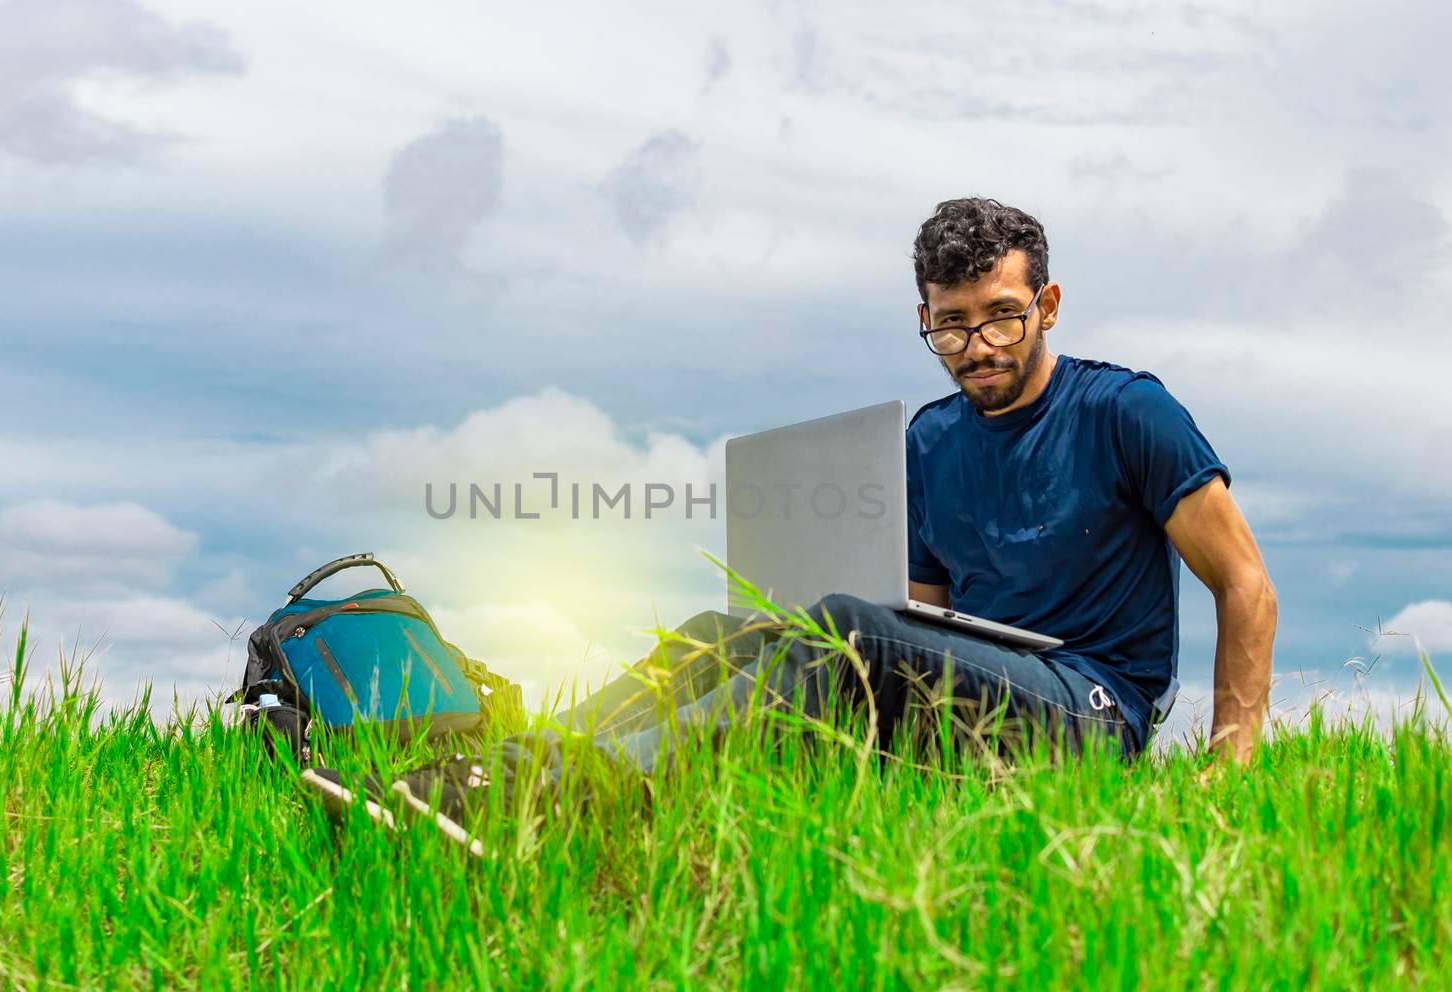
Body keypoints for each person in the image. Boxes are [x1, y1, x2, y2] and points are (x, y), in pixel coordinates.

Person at [382, 197, 1278, 848]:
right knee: (717, 632)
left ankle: (582, 797)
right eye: (952, 325)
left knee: (846, 631)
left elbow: (1244, 581)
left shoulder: (1127, 411)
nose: (978, 347)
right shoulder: (929, 441)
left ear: (1045, 307)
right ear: (925, 318)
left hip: (1093, 708)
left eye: (1004, 318)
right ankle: (492, 775)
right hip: (991, 681)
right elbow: (923, 624)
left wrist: (1232, 755)